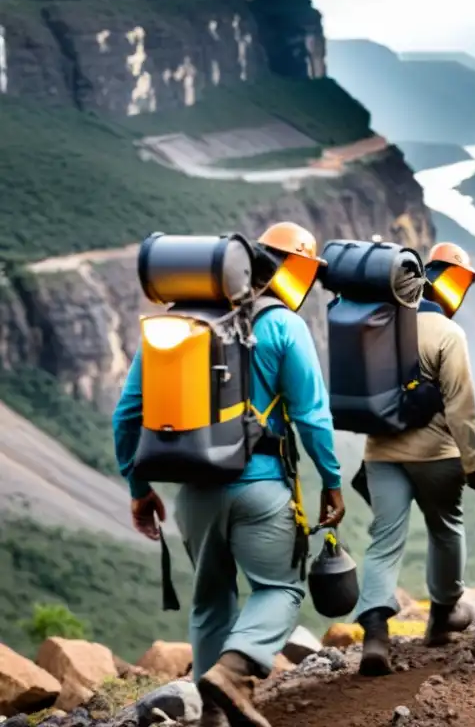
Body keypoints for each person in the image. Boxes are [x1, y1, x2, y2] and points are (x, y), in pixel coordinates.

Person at [113, 222, 343, 727]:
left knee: (210, 599)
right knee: (280, 589)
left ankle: (213, 716)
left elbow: (127, 416)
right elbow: (312, 417)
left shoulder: (177, 326)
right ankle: (235, 672)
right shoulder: (283, 325)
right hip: (261, 487)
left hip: (193, 494)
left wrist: (138, 489)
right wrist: (331, 480)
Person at [352, 241, 475, 677]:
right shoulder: (448, 333)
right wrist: (474, 462)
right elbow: (461, 407)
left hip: (381, 453)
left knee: (384, 539)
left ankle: (375, 632)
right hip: (437, 456)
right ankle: (443, 615)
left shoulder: (374, 325)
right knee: (445, 527)